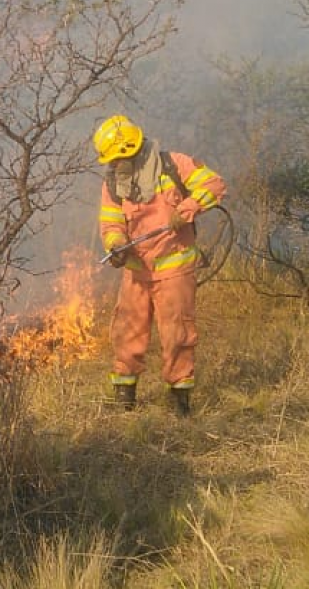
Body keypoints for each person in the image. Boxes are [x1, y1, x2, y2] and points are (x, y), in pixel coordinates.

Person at [93, 114, 225, 417]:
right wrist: (115, 245)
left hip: (174, 269)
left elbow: (214, 185)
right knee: (127, 331)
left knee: (177, 334)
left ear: (131, 150)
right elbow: (111, 221)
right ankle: (124, 398)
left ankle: (179, 402)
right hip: (136, 272)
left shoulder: (173, 165)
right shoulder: (114, 183)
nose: (111, 165)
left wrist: (188, 208)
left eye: (115, 159)